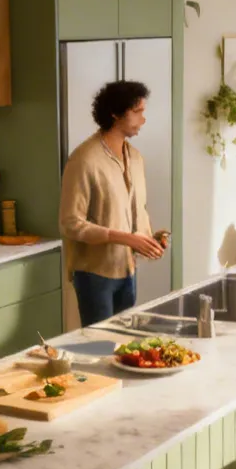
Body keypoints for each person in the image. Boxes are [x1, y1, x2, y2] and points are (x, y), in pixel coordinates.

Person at [60, 80, 166, 326]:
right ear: (116, 114)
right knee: (101, 349)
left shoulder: (136, 158)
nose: (144, 119)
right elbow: (70, 223)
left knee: (123, 346)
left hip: (128, 271)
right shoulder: (84, 160)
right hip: (95, 275)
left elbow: (136, 211)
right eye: (137, 112)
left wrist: (150, 238)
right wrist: (126, 238)